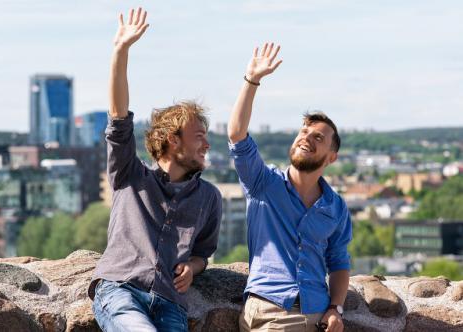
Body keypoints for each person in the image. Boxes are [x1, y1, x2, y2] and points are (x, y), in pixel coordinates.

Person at [88, 7, 222, 332]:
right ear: (173, 141)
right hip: (120, 290)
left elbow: (203, 253)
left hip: (170, 304)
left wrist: (192, 266)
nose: (206, 145)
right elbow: (119, 119)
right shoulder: (130, 175)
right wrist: (120, 51)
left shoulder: (209, 198)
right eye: (199, 137)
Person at [228, 43, 352, 332]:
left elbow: (338, 262)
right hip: (272, 311)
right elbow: (237, 135)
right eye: (304, 131)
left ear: (331, 157)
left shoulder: (335, 207)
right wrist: (252, 80)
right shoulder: (263, 184)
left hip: (319, 315)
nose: (307, 138)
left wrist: (336, 308)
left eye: (318, 138)